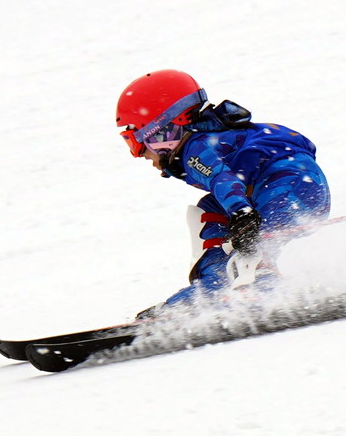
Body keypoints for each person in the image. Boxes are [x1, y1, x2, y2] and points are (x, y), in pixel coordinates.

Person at [116, 70, 331, 315]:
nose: (139, 154)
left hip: (284, 189)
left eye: (134, 141)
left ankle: (258, 284)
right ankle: (214, 284)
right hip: (299, 187)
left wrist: (242, 213)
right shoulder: (215, 138)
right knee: (210, 209)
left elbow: (222, 179)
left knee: (245, 234)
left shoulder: (195, 150)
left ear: (161, 131)